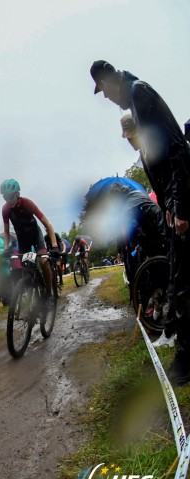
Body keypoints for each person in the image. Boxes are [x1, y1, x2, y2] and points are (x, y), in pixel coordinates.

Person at [92, 60, 190, 373]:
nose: (106, 98)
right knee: (180, 280)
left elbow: (176, 150)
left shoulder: (141, 93)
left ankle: (185, 361)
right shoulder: (135, 101)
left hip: (180, 205)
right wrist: (166, 203)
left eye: (104, 90)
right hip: (171, 204)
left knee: (182, 283)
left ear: (111, 80)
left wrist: (179, 205)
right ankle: (184, 354)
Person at [120, 113, 176, 347]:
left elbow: (173, 178)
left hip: (168, 226)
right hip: (165, 221)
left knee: (175, 276)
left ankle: (172, 330)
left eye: (128, 136)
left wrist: (175, 208)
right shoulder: (145, 152)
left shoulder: (156, 147)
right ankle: (170, 327)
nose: (127, 141)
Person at [0, 179, 60, 297]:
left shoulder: (27, 203)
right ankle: (35, 295)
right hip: (23, 240)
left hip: (35, 235)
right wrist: (6, 248)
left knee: (43, 261)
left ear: (17, 194)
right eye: (5, 197)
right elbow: (6, 232)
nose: (8, 200)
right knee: (27, 271)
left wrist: (54, 246)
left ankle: (48, 292)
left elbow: (48, 225)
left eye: (10, 196)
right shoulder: (5, 209)